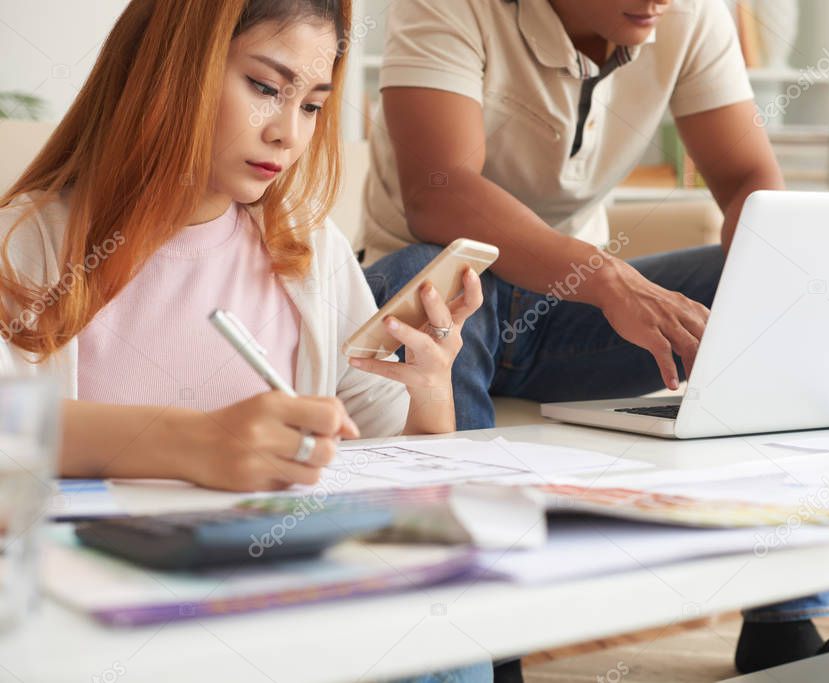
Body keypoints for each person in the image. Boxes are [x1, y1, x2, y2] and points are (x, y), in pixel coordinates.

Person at [0, 1, 489, 681]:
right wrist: (195, 443)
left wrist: (432, 392)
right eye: (265, 88)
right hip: (116, 603)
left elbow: (392, 467)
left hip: (287, 594)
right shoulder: (30, 243)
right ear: (171, 71)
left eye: (313, 105)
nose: (289, 134)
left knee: (444, 631)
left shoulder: (312, 255)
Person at [360, 0, 829, 675]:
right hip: (448, 299)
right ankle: (480, 645)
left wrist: (762, 283)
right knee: (428, 274)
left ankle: (784, 620)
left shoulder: (688, 15)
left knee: (782, 284)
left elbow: (745, 179)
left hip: (570, 311)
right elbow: (437, 193)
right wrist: (608, 279)